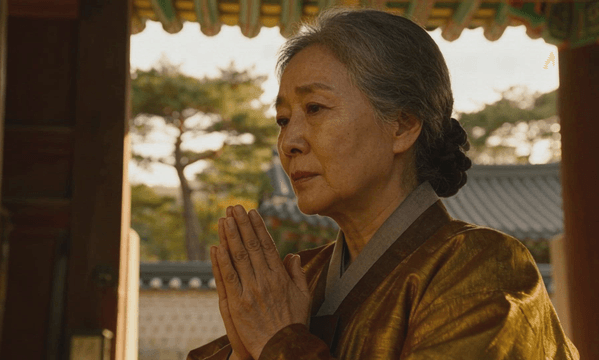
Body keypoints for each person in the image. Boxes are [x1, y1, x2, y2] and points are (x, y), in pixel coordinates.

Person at [188, 8, 579, 360]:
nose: (289, 141)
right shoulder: (299, 278)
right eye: (283, 119)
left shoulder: (485, 268)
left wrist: (280, 343)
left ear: (402, 125)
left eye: (315, 108)